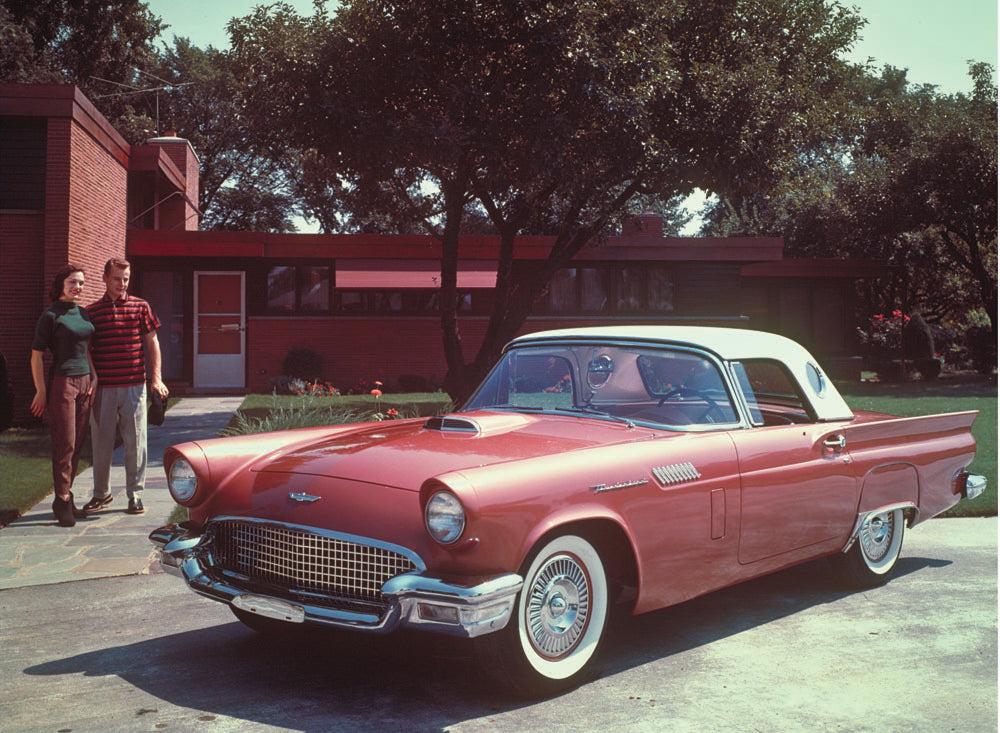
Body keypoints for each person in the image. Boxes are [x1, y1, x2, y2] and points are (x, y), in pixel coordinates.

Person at [83, 258, 169, 516]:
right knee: (102, 442)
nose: (122, 283)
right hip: (104, 389)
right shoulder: (91, 312)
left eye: (126, 279)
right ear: (105, 278)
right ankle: (101, 494)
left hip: (134, 385)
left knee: (136, 442)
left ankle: (135, 495)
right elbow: (86, 350)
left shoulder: (141, 307)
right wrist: (94, 377)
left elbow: (153, 343)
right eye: (117, 278)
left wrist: (156, 378)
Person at [30, 265, 96, 527]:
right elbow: (36, 355)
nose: (77, 287)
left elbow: (86, 349)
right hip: (62, 382)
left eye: (81, 283)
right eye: (72, 282)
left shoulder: (83, 313)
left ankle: (65, 500)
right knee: (65, 442)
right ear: (61, 285)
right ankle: (62, 496)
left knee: (79, 441)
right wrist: (41, 390)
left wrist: (94, 376)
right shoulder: (50, 315)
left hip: (85, 382)